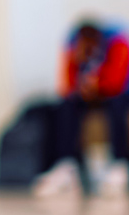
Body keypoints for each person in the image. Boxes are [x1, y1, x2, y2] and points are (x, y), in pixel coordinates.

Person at [34, 19, 129, 196]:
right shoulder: (73, 46)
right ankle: (66, 165)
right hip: (91, 95)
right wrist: (80, 76)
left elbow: (116, 83)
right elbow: (67, 86)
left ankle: (119, 165)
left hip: (117, 94)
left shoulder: (117, 43)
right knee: (66, 105)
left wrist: (98, 84)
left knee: (117, 104)